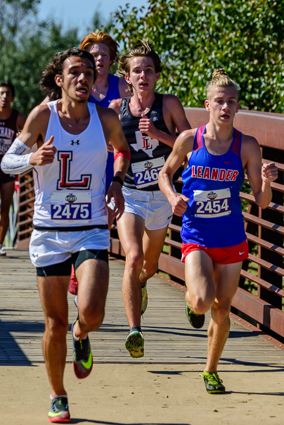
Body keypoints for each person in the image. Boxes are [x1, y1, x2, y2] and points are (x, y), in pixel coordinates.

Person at [1, 47, 130, 422]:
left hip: (90, 227)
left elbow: (121, 151)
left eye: (89, 72)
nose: (83, 78)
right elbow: (7, 161)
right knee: (53, 323)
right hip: (48, 230)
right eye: (75, 72)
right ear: (60, 80)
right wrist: (31, 159)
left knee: (92, 311)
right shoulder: (43, 116)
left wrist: (117, 183)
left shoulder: (105, 117)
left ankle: (82, 333)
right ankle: (58, 393)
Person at [158, 68, 278, 393]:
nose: (226, 108)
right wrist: (173, 197)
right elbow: (165, 174)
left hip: (231, 238)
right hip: (197, 233)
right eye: (220, 101)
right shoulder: (189, 140)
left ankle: (210, 370)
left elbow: (262, 201)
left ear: (238, 107)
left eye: (232, 102)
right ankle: (191, 300)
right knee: (202, 302)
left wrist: (267, 180)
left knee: (222, 309)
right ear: (208, 104)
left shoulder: (248, 146)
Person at [109, 41, 191, 358]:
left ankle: (142, 283)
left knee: (150, 265)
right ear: (127, 77)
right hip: (131, 194)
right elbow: (110, 146)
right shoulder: (117, 109)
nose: (143, 75)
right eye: (136, 71)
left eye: (148, 70)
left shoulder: (168, 104)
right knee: (132, 258)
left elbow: (190, 146)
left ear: (156, 75)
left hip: (161, 196)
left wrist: (158, 135)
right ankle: (135, 331)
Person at [68, 31, 130, 297]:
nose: (100, 59)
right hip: (83, 164)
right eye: (95, 55)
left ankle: (85, 274)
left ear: (112, 57)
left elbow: (138, 118)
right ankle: (77, 267)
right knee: (80, 220)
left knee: (102, 221)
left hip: (114, 164)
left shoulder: (123, 87)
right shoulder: (78, 86)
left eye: (105, 54)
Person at [0, 82, 26, 255]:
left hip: (8, 168)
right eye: (1, 93)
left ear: (12, 97)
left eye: (7, 93)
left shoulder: (17, 117)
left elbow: (32, 134)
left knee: (6, 207)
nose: (4, 97)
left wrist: (21, 140)